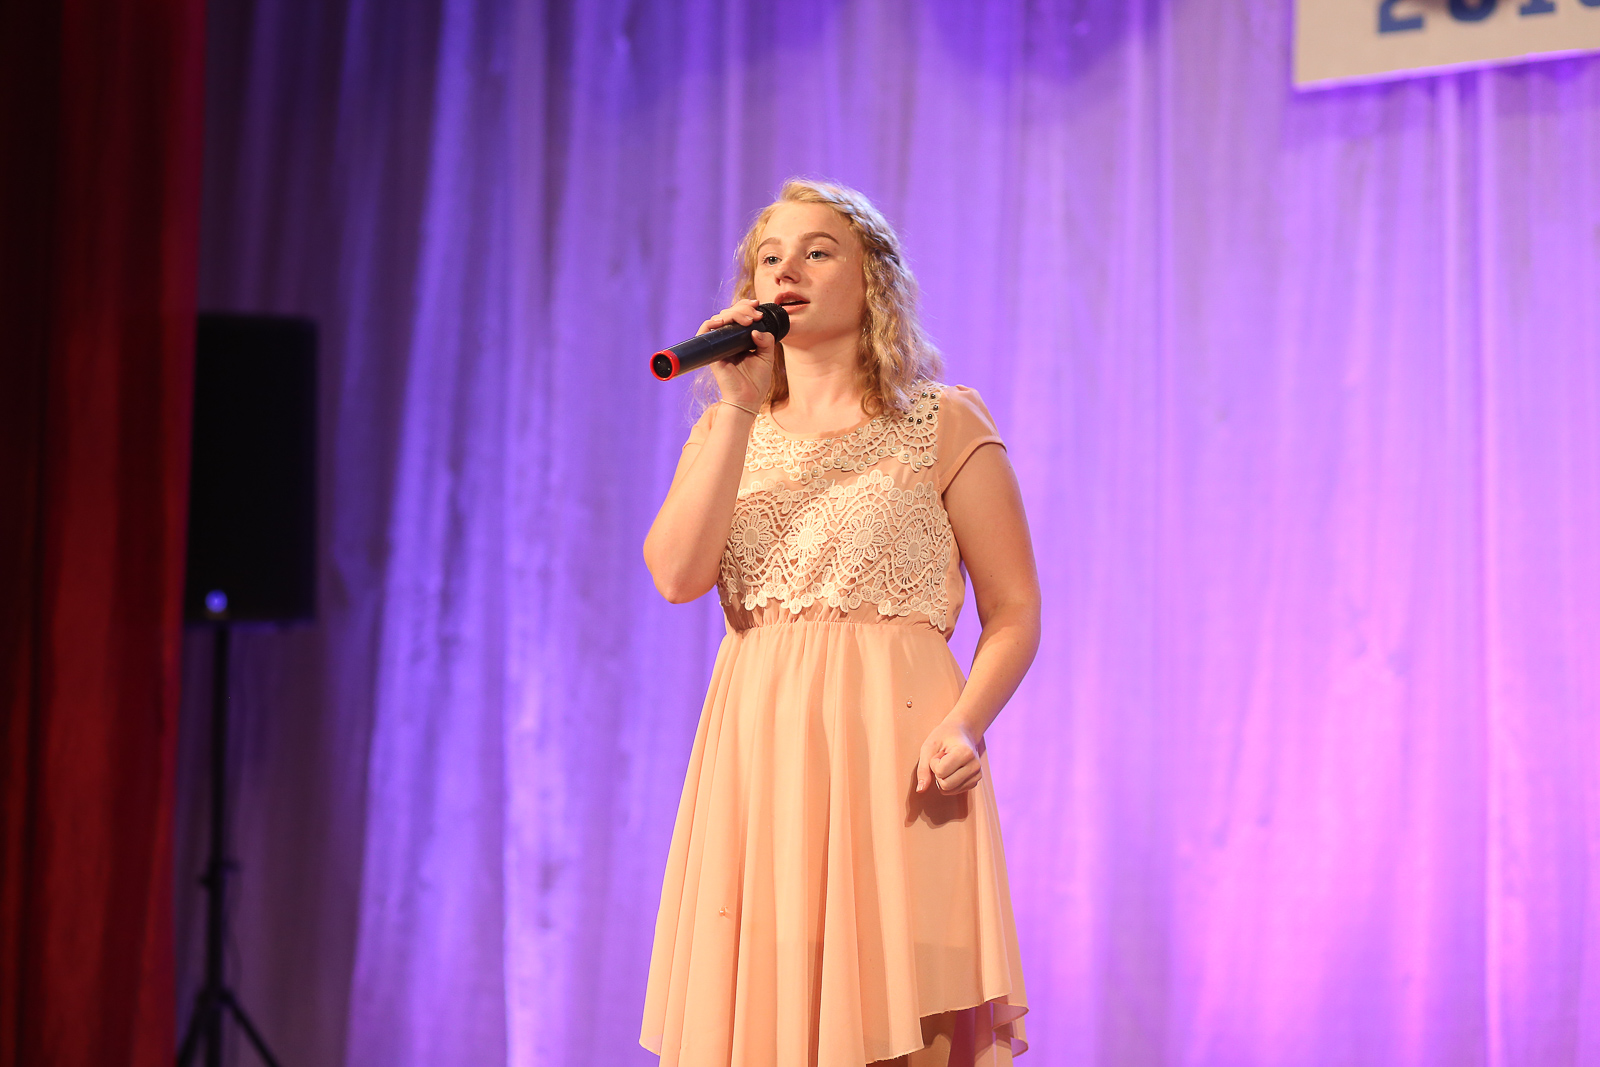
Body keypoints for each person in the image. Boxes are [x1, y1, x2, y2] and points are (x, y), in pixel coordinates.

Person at [641, 179, 1039, 1067]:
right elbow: (675, 575)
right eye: (769, 257)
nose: (788, 270)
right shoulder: (728, 431)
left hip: (899, 765)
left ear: (874, 281)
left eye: (817, 251)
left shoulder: (941, 420)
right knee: (771, 1019)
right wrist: (737, 404)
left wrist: (967, 721)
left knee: (902, 1022)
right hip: (763, 765)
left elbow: (1014, 609)